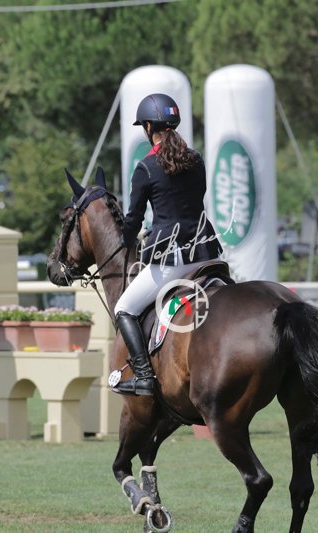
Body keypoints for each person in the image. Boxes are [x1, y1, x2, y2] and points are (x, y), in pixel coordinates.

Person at [112, 93, 223, 396]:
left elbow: (134, 220)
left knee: (124, 308)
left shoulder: (146, 168)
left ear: (148, 127)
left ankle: (144, 376)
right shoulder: (196, 160)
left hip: (173, 260)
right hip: (207, 254)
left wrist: (126, 241)